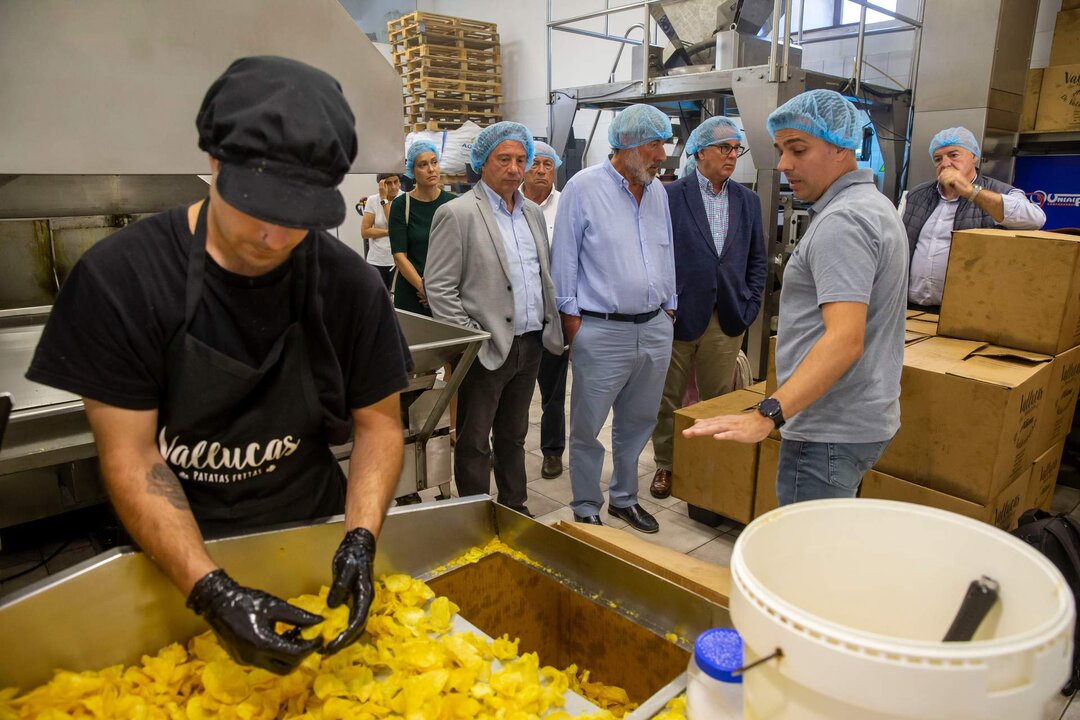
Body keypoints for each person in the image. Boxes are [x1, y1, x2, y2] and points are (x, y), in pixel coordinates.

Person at [25, 57, 413, 673]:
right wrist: (210, 589)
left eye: (301, 217)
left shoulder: (348, 287)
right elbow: (131, 454)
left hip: (306, 536)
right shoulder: (122, 279)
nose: (276, 237)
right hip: (172, 552)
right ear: (212, 163)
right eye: (258, 206)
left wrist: (360, 538)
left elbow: (379, 425)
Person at [683, 89, 906, 506]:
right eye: (781, 149)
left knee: (808, 560)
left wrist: (768, 412)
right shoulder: (874, 205)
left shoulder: (845, 221)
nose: (784, 164)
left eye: (798, 149)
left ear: (842, 147)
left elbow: (844, 339)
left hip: (828, 427)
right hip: (856, 417)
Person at [550, 104, 676, 533]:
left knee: (638, 423)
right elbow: (563, 259)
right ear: (625, 144)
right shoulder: (582, 189)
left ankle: (624, 499)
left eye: (664, 143)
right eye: (654, 144)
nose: (663, 154)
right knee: (587, 426)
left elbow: (666, 251)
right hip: (599, 329)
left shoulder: (657, 191)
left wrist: (670, 308)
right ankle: (587, 504)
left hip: (655, 326)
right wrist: (573, 323)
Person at [426, 123, 563, 516]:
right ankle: (475, 515)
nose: (515, 169)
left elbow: (542, 274)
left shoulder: (532, 213)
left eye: (521, 160)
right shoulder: (457, 214)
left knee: (514, 434)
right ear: (483, 162)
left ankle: (513, 507)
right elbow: (440, 288)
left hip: (531, 342)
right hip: (485, 350)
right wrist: (474, 339)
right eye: (505, 159)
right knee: (473, 439)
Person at [649, 117, 767, 499]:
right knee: (668, 397)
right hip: (679, 315)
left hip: (728, 316)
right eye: (725, 148)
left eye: (737, 149)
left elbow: (757, 260)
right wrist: (664, 304)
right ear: (701, 151)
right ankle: (666, 464)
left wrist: (749, 304)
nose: (733, 156)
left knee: (720, 398)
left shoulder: (747, 201)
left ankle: (710, 465)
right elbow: (655, 253)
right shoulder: (669, 196)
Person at [902, 126, 1046, 312]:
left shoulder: (1001, 192)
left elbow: (1036, 219)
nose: (945, 164)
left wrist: (970, 191)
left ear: (974, 156)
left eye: (954, 155)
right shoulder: (916, 195)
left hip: (967, 309)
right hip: (911, 307)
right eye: (938, 159)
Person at [522, 140, 567, 479]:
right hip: (518, 312)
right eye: (534, 163)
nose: (540, 171)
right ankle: (507, 445)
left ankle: (552, 451)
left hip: (554, 313)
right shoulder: (509, 204)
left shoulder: (567, 205)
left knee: (553, 390)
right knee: (512, 389)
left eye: (547, 165)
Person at [388, 141, 455, 316]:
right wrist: (423, 288)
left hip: (446, 293)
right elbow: (399, 255)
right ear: (412, 171)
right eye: (423, 165)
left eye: (434, 162)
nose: (431, 169)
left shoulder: (453, 203)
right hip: (412, 294)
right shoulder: (401, 205)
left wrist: (437, 290)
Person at [361, 173, 402, 290]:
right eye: (389, 183)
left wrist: (384, 200)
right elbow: (365, 232)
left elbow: (393, 222)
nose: (394, 186)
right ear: (381, 185)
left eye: (396, 182)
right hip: (377, 260)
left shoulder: (405, 198)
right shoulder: (372, 200)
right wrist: (390, 232)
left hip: (398, 260)